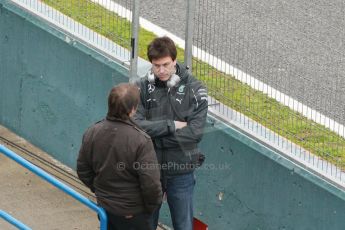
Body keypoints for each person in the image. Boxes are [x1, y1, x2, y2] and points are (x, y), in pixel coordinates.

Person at [133, 36, 208, 230]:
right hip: (150, 169)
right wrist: (172, 125)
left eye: (166, 64)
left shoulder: (195, 89)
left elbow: (194, 133)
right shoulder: (141, 87)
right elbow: (136, 125)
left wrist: (154, 134)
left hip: (181, 171)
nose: (162, 70)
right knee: (145, 225)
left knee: (183, 226)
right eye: (156, 66)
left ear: (175, 60)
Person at [77, 83, 162, 230]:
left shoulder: (92, 132)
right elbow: (151, 185)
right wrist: (148, 209)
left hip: (105, 208)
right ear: (133, 109)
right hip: (133, 214)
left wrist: (101, 193)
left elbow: (83, 170)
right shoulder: (141, 141)